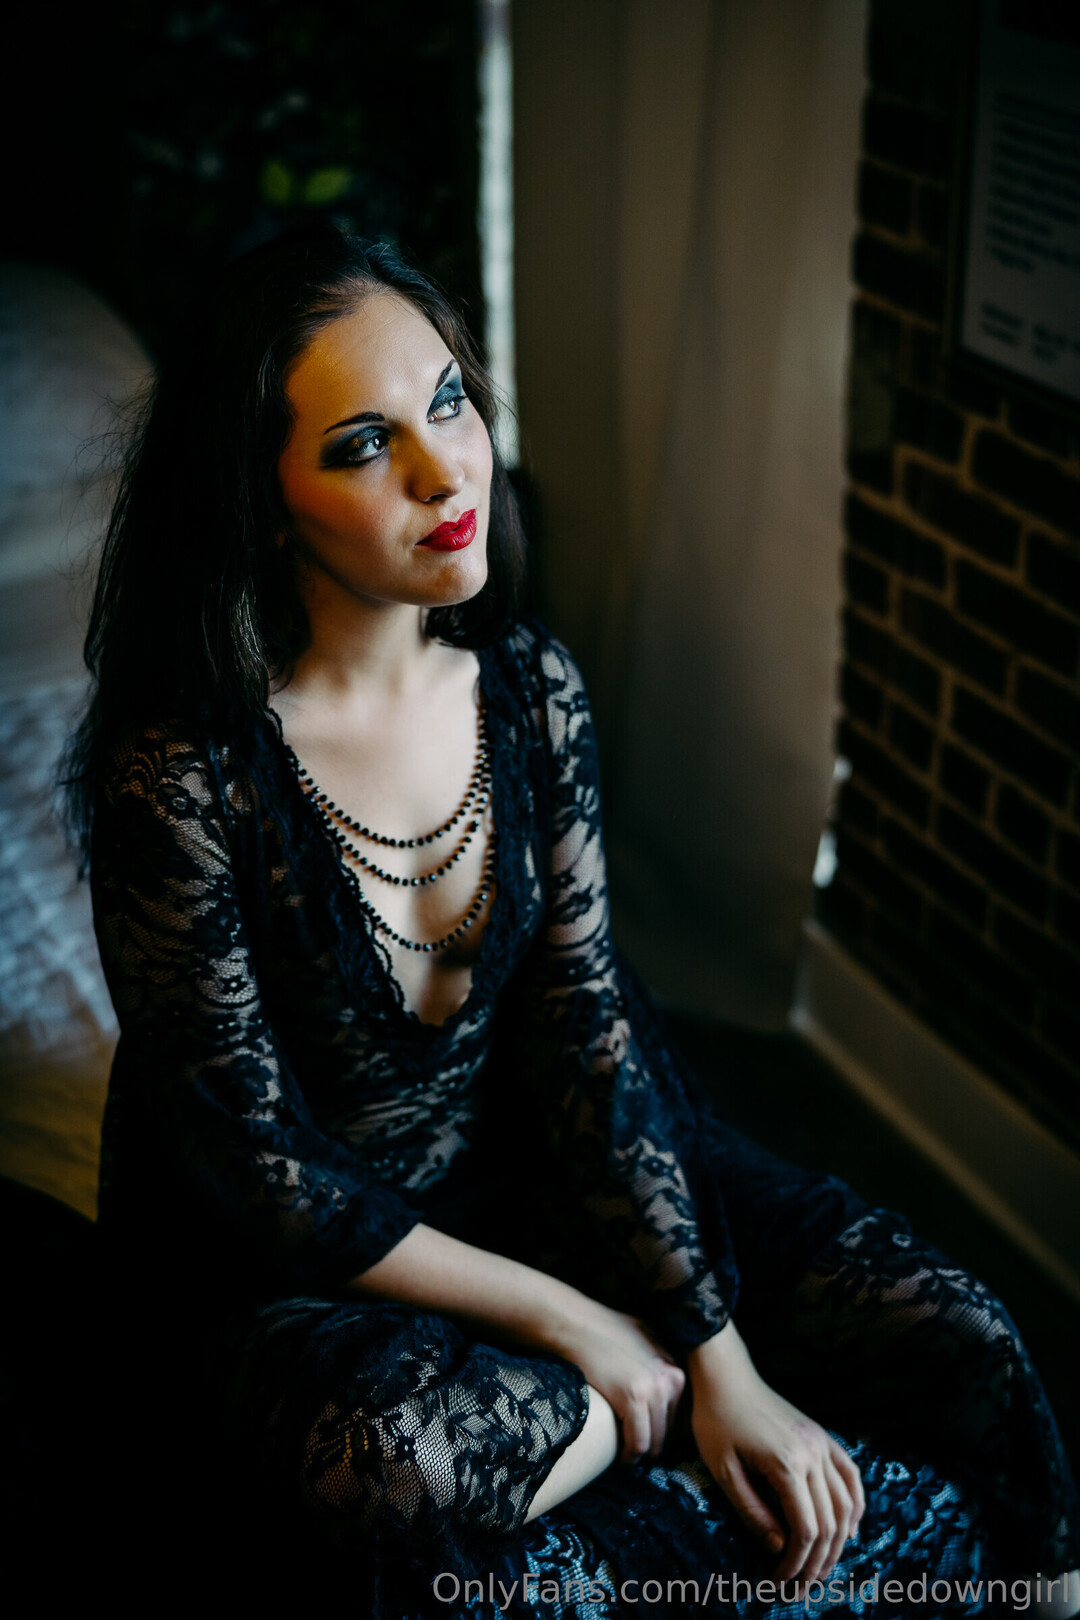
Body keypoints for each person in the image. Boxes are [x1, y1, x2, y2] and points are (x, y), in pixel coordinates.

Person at [67, 224, 1079, 1618]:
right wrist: (582, 1326)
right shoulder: (180, 778)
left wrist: (718, 1354)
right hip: (298, 1267)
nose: (445, 471)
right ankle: (651, 1460)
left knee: (958, 1334)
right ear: (263, 498)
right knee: (395, 1468)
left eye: (448, 403)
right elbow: (259, 1175)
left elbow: (588, 1043)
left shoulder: (532, 692)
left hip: (534, 1172)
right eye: (362, 446)